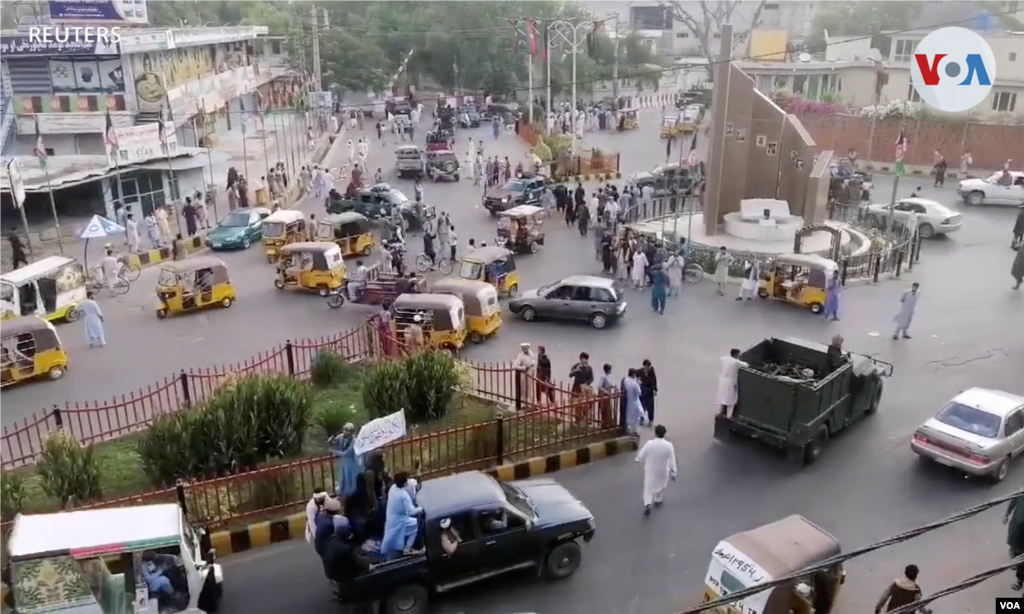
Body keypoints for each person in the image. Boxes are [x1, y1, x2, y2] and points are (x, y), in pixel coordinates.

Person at [635, 424, 677, 517]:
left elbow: (641, 453)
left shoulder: (649, 444)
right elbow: (672, 460)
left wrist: (638, 459)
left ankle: (648, 504)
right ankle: (658, 499)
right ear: (664, 434)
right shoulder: (668, 445)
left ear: (655, 433)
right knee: (661, 486)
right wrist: (674, 472)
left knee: (648, 487)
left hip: (650, 469)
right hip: (663, 470)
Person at [380, 472, 423, 559]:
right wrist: (421, 509)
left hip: (391, 519)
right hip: (401, 520)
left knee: (392, 536)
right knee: (416, 525)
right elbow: (411, 511)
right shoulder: (403, 495)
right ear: (405, 483)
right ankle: (408, 548)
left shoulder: (393, 489)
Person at [329, 423, 362, 498]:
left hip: (351, 462)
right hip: (342, 462)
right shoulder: (340, 437)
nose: (345, 432)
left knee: (350, 478)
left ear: (352, 432)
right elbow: (334, 444)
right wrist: (330, 441)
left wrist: (333, 451)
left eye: (348, 430)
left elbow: (346, 453)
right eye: (345, 429)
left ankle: (351, 495)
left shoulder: (354, 440)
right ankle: (342, 494)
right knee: (341, 478)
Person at [717, 349, 748, 417]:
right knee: (731, 400)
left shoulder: (724, 359)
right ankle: (728, 415)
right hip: (730, 382)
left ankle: (721, 412)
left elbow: (723, 357)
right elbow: (746, 365)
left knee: (722, 397)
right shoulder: (735, 362)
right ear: (736, 355)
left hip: (723, 380)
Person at [1006, 494, 1024, 590]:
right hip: (1016, 532)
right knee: (1019, 560)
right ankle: (1019, 581)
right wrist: (1006, 514)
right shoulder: (1020, 493)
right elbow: (1012, 502)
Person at [622, 368, 643, 433]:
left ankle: (627, 427)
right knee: (635, 417)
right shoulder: (634, 384)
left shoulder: (625, 380)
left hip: (627, 400)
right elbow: (639, 393)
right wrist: (639, 384)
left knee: (628, 415)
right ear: (633, 374)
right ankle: (634, 430)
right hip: (634, 401)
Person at [638, 360, 658, 424]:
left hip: (649, 390)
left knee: (650, 406)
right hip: (643, 389)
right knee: (642, 405)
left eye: (647, 366)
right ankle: (641, 418)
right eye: (645, 366)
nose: (646, 367)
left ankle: (650, 420)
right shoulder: (642, 371)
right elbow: (635, 372)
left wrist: (654, 389)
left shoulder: (652, 372)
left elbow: (654, 381)